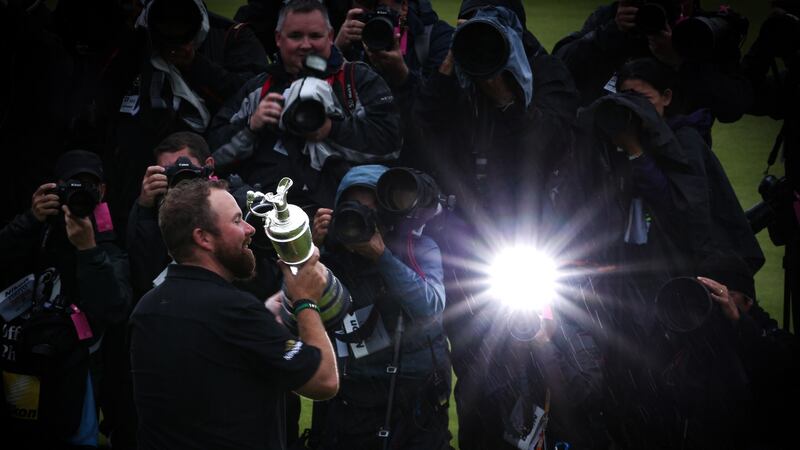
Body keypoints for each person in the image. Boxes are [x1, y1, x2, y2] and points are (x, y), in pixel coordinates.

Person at [413, 1, 606, 448]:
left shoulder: (546, 71)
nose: (484, 32)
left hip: (537, 239)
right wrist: (447, 72)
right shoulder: (453, 73)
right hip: (465, 249)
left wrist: (503, 94)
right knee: (477, 371)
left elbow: (551, 144)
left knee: (549, 361)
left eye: (495, 22)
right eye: (473, 22)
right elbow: (420, 138)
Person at [129, 178, 339, 450]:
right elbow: (324, 380)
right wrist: (305, 301)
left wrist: (265, 323)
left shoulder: (147, 309)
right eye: (238, 220)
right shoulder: (234, 311)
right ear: (203, 237)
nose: (250, 229)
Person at [208, 0, 402, 210]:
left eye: (315, 36)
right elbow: (211, 156)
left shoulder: (357, 78)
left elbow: (391, 145)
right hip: (266, 214)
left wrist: (330, 129)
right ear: (278, 39)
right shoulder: (258, 88)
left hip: (340, 216)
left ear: (330, 37)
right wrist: (251, 127)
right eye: (296, 36)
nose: (306, 45)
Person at [310, 165, 451, 450]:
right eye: (354, 207)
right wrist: (311, 252)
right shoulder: (328, 255)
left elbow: (431, 309)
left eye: (372, 208)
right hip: (353, 395)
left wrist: (382, 257)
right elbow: (294, 311)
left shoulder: (419, 248)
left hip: (415, 395)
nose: (364, 216)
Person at [0, 149, 132, 449]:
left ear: (102, 192)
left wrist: (89, 251)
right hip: (23, 353)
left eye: (89, 186)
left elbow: (115, 308)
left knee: (74, 433)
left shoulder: (108, 242)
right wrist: (30, 220)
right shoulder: (38, 227)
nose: (80, 194)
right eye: (73, 185)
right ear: (55, 187)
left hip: (76, 365)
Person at [107, 0, 268, 242]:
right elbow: (106, 99)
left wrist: (195, 65)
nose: (173, 31)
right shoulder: (134, 43)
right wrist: (142, 207)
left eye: (180, 22)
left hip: (218, 158)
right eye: (166, 22)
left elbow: (250, 94)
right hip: (139, 166)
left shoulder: (230, 37)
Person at [553, 0, 753, 129]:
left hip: (675, 158)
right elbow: (560, 70)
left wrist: (679, 62)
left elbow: (733, 106)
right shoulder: (617, 17)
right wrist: (611, 33)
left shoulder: (704, 32)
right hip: (606, 152)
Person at [334, 0, 453, 166]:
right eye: (368, 8)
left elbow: (439, 112)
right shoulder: (344, 38)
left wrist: (402, 75)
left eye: (381, 8)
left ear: (404, 7)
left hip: (424, 161)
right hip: (358, 160)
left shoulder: (434, 37)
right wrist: (335, 51)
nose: (376, 16)